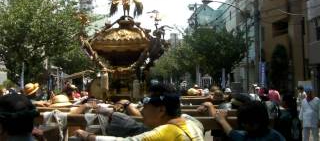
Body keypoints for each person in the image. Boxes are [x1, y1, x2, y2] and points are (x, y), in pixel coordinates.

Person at [75, 83, 204, 140]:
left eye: (145, 106)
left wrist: (88, 136)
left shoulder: (163, 132)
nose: (141, 110)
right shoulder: (192, 122)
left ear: (161, 110)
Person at [202, 101, 285, 140]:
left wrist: (222, 120)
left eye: (244, 123)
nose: (242, 125)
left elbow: (231, 133)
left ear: (255, 123)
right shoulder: (276, 136)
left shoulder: (245, 138)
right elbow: (231, 132)